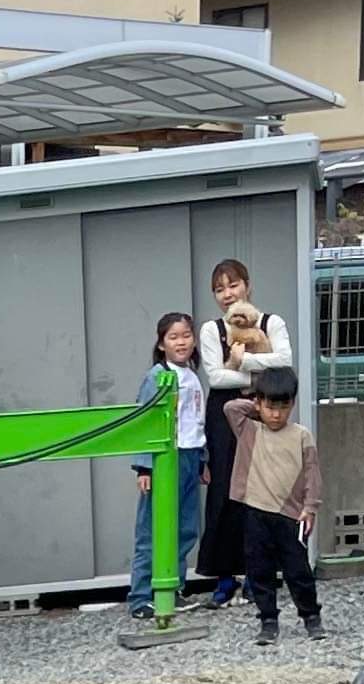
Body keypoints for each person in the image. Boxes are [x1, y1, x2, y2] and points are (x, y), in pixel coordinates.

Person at [191, 258, 295, 603]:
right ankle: (224, 576)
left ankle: (259, 572)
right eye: (219, 289)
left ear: (247, 285)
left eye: (233, 285)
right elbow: (216, 377)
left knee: (263, 490)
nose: (227, 294)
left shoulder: (272, 321)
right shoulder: (211, 330)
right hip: (224, 416)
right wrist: (258, 375)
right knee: (223, 491)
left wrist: (243, 362)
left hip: (264, 413)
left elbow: (286, 360)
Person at [228, 363, 326, 647]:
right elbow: (231, 408)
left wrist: (311, 507)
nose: (275, 414)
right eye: (269, 406)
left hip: (291, 515)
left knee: (298, 570)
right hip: (254, 511)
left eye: (283, 407)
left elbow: (312, 474)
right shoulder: (249, 429)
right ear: (258, 403)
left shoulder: (301, 435)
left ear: (293, 404)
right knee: (259, 569)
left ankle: (311, 616)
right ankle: (268, 620)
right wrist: (255, 402)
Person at [124, 309, 208, 619]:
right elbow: (144, 422)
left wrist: (202, 460)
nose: (181, 342)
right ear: (162, 344)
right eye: (173, 337)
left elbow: (195, 422)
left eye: (186, 335)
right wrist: (144, 467)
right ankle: (141, 597)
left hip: (189, 457)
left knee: (185, 528)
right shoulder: (157, 377)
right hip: (162, 460)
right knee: (151, 531)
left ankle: (173, 588)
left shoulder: (193, 376)